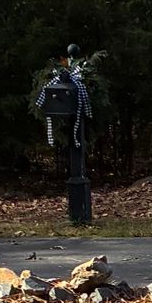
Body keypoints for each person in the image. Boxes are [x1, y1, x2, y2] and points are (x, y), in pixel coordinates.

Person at [34, 47, 94, 226]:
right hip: (69, 104)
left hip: (75, 108)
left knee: (76, 143)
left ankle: (81, 215)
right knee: (74, 142)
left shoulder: (78, 87)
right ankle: (78, 215)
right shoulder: (62, 84)